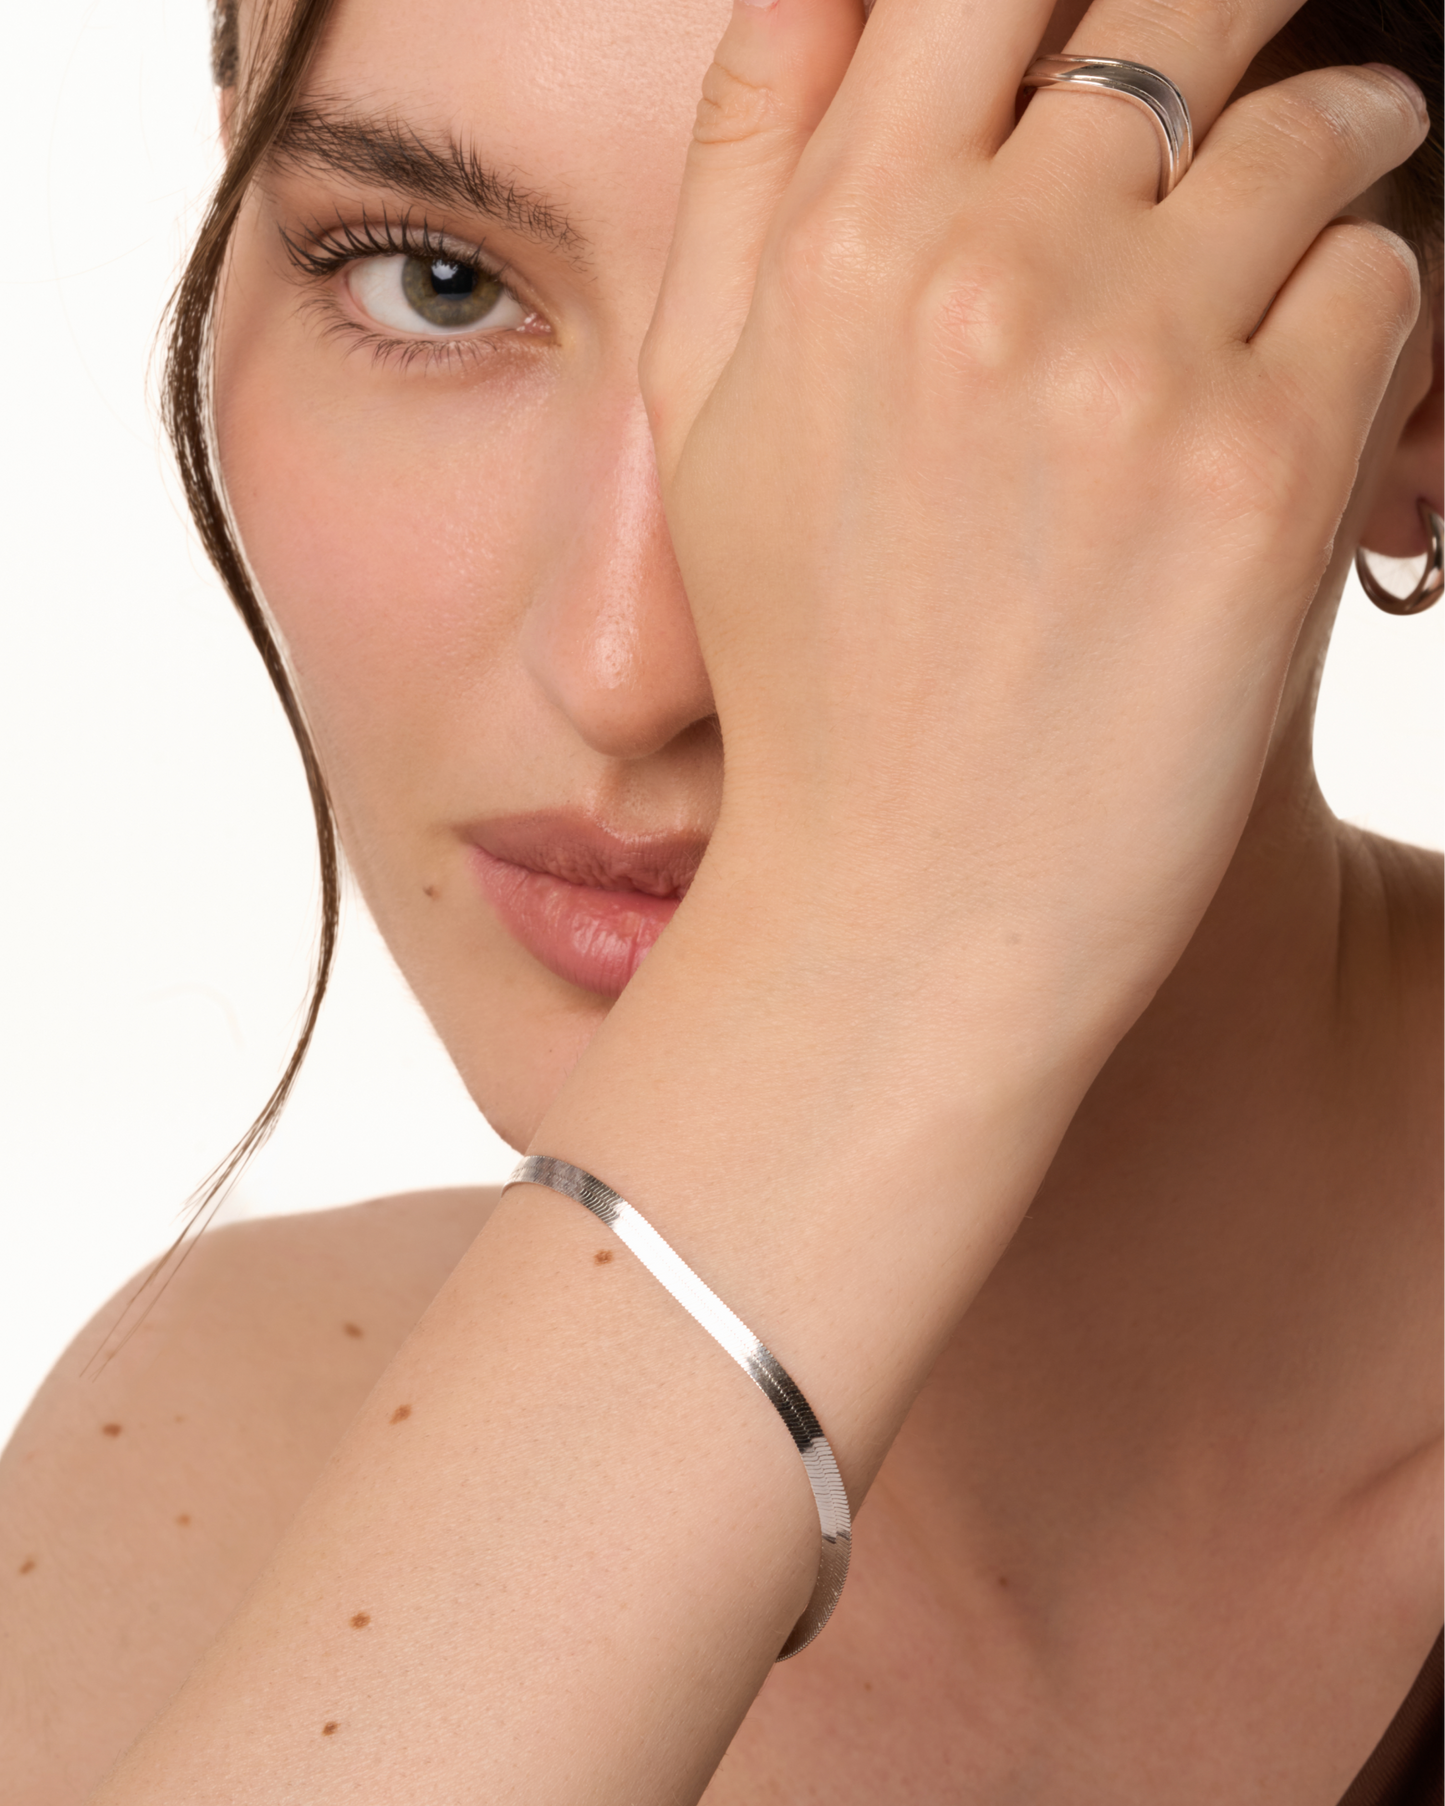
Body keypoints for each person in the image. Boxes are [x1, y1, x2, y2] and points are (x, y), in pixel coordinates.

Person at [6, 0, 1445, 1795]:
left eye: (934, 335)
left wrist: (868, 953)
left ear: (1418, 379)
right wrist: (862, 974)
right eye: (438, 283)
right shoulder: (194, 1476)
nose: (627, 663)